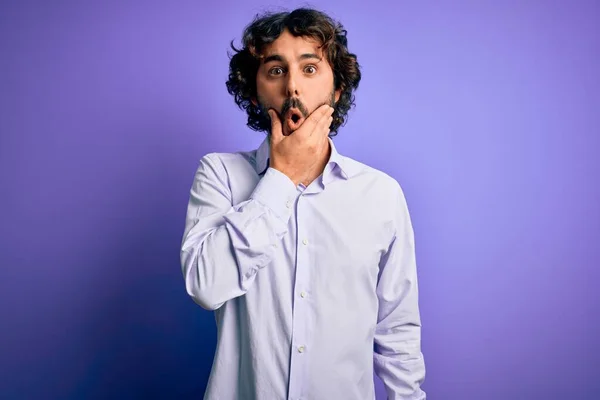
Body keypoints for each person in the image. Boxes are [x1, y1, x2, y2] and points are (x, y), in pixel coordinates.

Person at [180, 7, 426, 400]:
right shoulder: (219, 175)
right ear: (255, 91)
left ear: (337, 89)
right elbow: (206, 286)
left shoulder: (381, 194)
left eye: (310, 69)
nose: (293, 86)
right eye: (275, 70)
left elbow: (397, 332)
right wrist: (281, 177)